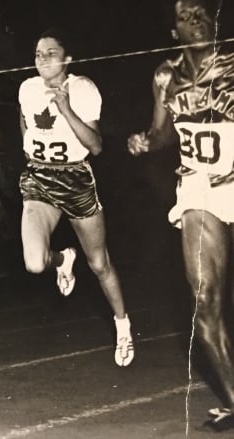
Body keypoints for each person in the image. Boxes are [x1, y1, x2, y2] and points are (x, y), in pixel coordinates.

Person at [127, 0, 234, 430]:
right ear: (174, 33)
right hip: (200, 189)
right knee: (204, 301)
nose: (197, 21)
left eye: (203, 14)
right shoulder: (165, 76)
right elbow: (161, 133)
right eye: (186, 18)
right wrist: (145, 142)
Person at [18, 28, 134, 367]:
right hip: (39, 177)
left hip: (75, 178)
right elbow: (24, 123)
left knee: (99, 263)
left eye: (51, 52)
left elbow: (96, 146)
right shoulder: (26, 88)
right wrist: (31, 152)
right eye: (38, 53)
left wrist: (66, 109)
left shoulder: (83, 88)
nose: (42, 59)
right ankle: (62, 260)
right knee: (35, 262)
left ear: (67, 59)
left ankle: (123, 325)